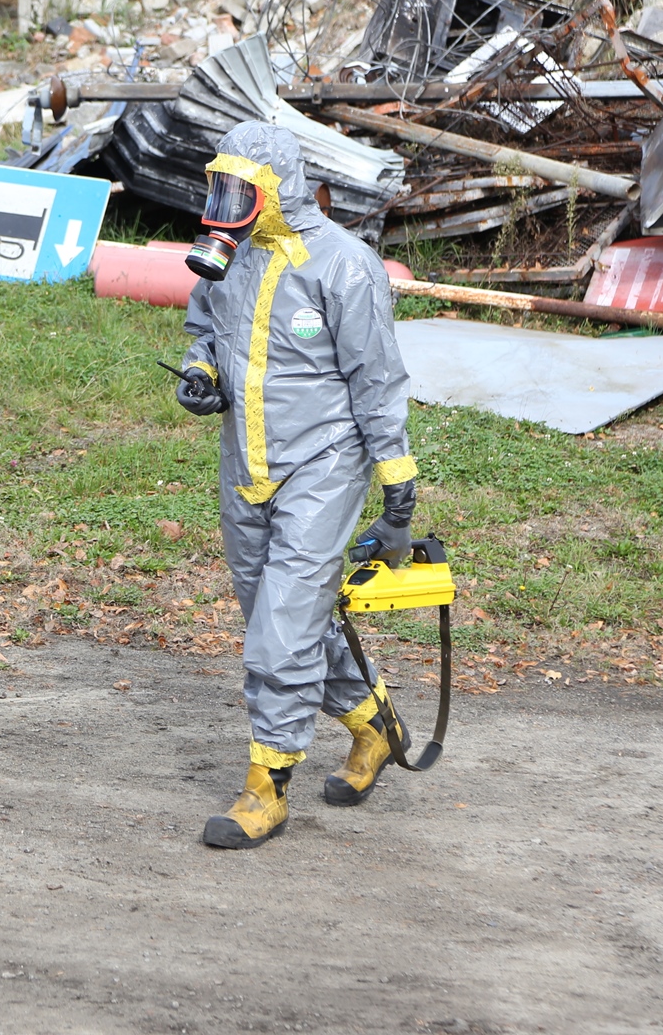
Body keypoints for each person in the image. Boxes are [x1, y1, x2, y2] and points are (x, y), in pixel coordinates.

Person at [173, 121, 418, 849]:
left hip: (324, 466)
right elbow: (204, 329)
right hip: (244, 464)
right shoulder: (230, 258)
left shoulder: (345, 266)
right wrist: (202, 374)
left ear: (277, 187)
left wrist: (397, 485)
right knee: (279, 619)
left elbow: (378, 381)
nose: (228, 200)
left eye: (242, 187)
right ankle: (373, 721)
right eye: (222, 184)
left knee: (282, 629)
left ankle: (265, 788)